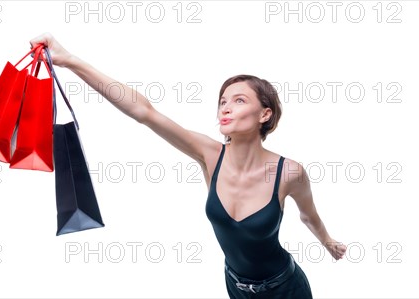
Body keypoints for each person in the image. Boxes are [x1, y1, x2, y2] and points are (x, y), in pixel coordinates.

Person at [30, 32, 347, 298]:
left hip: (285, 288)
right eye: (222, 101)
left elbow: (309, 216)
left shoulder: (288, 172)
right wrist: (68, 59)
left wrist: (329, 242)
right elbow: (144, 112)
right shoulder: (209, 156)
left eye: (239, 100)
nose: (225, 107)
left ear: (264, 114)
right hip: (235, 286)